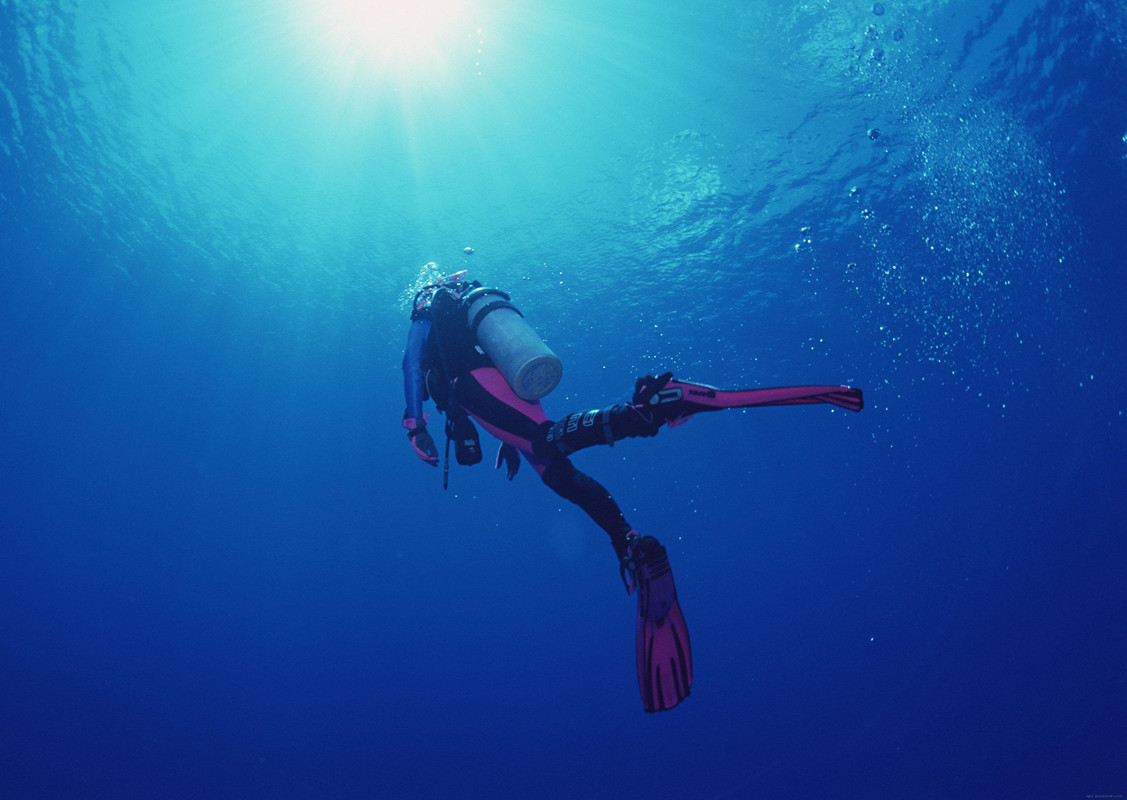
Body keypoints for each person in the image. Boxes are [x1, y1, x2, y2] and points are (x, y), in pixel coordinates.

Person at [401, 269, 863, 713]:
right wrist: (511, 443)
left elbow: (412, 362)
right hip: (501, 385)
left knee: (546, 442)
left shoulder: (427, 309)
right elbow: (488, 384)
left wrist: (413, 424)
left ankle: (648, 410)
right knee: (557, 470)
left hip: (476, 385)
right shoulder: (460, 311)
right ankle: (629, 543)